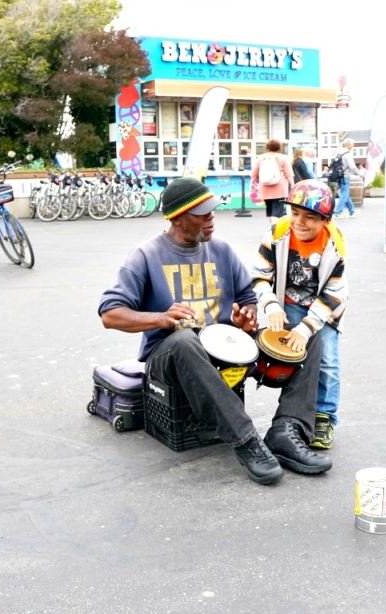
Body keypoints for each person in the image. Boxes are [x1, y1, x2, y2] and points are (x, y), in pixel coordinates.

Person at [98, 177, 332, 485]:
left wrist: (245, 318)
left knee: (305, 333)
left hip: (228, 350)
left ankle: (286, 432)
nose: (212, 218)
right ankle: (247, 441)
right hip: (172, 359)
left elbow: (247, 297)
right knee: (184, 339)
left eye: (213, 211)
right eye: (204, 213)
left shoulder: (221, 250)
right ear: (177, 218)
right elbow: (110, 314)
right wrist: (161, 318)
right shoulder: (145, 255)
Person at [250, 180, 348, 449]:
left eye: (310, 217)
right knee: (292, 358)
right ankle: (297, 417)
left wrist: (306, 328)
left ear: (325, 220)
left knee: (327, 360)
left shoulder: (335, 246)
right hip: (286, 301)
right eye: (295, 213)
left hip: (325, 307)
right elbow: (258, 275)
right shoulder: (277, 232)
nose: (300, 222)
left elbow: (333, 294)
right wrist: (270, 304)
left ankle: (324, 417)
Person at [252, 139, 294, 225]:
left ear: (267, 147)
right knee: (277, 209)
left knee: (269, 208)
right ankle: (274, 230)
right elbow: (289, 173)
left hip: (265, 186)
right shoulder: (282, 158)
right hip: (280, 187)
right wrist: (293, 185)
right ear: (279, 147)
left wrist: (252, 183)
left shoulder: (261, 157)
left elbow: (254, 172)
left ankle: (271, 227)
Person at [336, 138, 358, 218]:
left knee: (345, 194)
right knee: (344, 194)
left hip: (339, 176)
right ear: (349, 145)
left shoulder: (339, 153)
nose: (353, 146)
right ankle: (338, 212)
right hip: (345, 176)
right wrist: (359, 173)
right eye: (352, 144)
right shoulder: (347, 154)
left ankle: (352, 211)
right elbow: (352, 166)